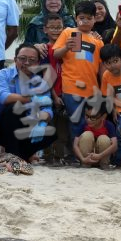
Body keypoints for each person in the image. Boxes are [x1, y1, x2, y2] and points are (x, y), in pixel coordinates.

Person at [0, 44, 56, 161]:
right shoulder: (3, 74)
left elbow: (47, 109)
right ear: (15, 59)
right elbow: (3, 97)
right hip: (4, 125)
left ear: (37, 63)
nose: (27, 63)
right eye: (22, 58)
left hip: (28, 125)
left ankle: (23, 155)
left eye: (32, 60)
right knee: (15, 107)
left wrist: (41, 121)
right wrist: (30, 99)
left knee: (51, 130)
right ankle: (13, 154)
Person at [52, 1, 103, 135]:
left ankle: (86, 152)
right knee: (76, 122)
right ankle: (77, 154)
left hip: (92, 89)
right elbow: (56, 54)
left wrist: (103, 88)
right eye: (81, 18)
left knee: (91, 123)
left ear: (94, 19)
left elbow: (102, 66)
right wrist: (66, 47)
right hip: (71, 87)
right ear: (76, 18)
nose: (85, 21)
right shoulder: (68, 32)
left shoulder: (98, 41)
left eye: (89, 18)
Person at [35, 13, 70, 164]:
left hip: (67, 92)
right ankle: (47, 155)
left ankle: (60, 156)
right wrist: (55, 96)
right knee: (49, 125)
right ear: (45, 29)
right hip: (50, 93)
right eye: (52, 27)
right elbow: (46, 75)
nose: (56, 31)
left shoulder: (68, 48)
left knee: (63, 128)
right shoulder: (44, 50)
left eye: (59, 27)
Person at [73, 104, 119, 169]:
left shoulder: (108, 125)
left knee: (104, 139)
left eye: (93, 117)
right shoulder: (84, 124)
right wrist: (83, 159)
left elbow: (115, 146)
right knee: (87, 135)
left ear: (103, 116)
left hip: (101, 157)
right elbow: (75, 145)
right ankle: (85, 164)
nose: (89, 120)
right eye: (87, 116)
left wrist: (100, 156)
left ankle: (104, 165)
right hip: (86, 159)